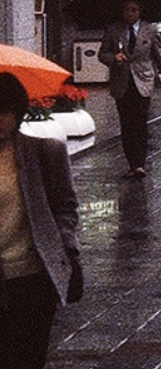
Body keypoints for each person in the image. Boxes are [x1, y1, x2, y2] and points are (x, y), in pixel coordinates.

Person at [0, 71, 81, 368]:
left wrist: (64, 243)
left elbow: (66, 206)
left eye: (5, 111)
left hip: (33, 280)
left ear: (18, 111)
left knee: (27, 359)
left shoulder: (45, 152)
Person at [104, 0, 161, 176]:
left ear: (140, 12)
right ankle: (132, 163)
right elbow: (102, 54)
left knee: (140, 122)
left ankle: (140, 163)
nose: (130, 13)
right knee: (126, 124)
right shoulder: (113, 30)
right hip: (122, 81)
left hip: (143, 79)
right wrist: (113, 58)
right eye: (127, 10)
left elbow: (159, 57)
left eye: (134, 10)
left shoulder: (150, 30)